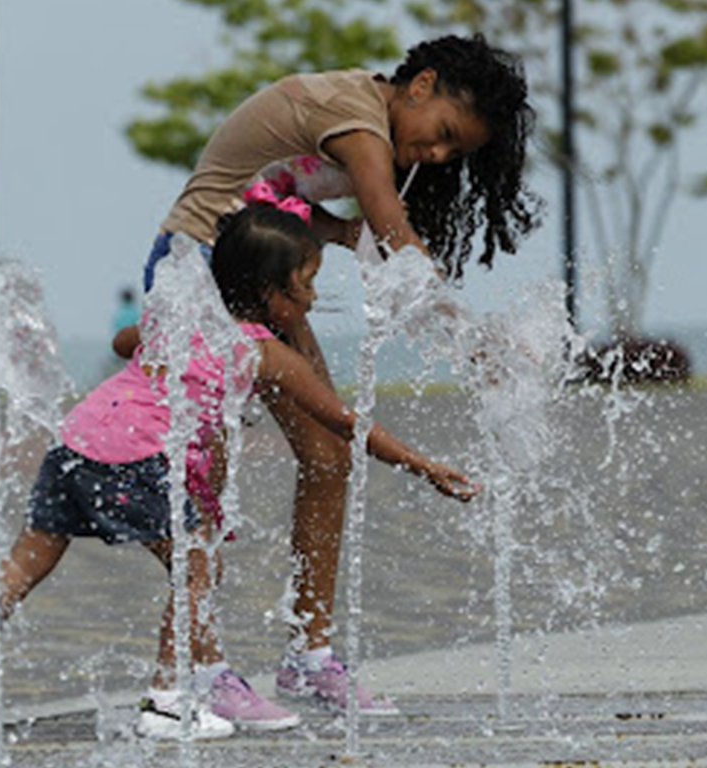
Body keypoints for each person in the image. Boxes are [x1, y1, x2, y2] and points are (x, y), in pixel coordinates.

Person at [0, 203, 480, 740]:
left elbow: (121, 343)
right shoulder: (264, 352)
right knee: (197, 568)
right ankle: (166, 703)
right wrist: (421, 464)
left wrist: (163, 335)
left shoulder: (185, 319)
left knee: (29, 556)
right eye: (305, 284)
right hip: (137, 456)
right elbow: (344, 421)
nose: (311, 299)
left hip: (76, 440)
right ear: (269, 293)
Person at [126, 34, 541, 713]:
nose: (437, 156)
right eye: (440, 134)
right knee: (207, 473)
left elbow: (277, 194)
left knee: (328, 454)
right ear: (420, 84)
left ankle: (309, 656)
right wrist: (471, 340)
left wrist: (344, 237)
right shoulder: (357, 122)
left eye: (454, 153)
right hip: (195, 273)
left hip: (261, 281)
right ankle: (198, 672)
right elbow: (391, 229)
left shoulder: (371, 120)